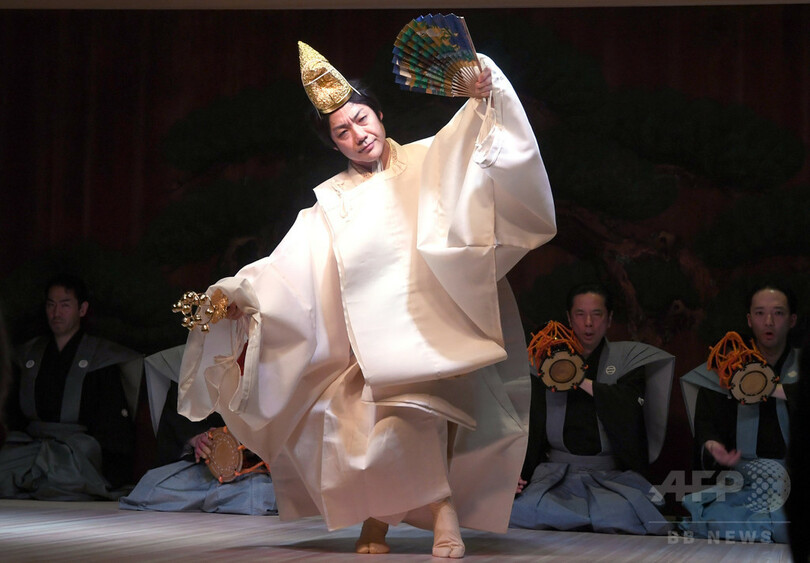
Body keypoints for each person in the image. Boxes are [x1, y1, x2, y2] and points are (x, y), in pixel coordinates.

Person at [176, 41, 556, 558]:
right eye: (342, 132)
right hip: (365, 340)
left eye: (361, 119)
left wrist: (485, 92)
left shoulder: (428, 158)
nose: (358, 135)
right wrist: (241, 297)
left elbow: (476, 140)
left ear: (379, 114)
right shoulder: (331, 201)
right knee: (352, 430)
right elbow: (289, 266)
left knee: (414, 418)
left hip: (432, 329)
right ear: (334, 144)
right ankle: (380, 515)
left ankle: (439, 513)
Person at [510, 283, 674, 535]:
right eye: (580, 314)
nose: (588, 323)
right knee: (521, 511)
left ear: (609, 319)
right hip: (557, 475)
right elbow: (529, 423)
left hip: (609, 477)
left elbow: (630, 410)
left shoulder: (627, 360)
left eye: (597, 314)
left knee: (623, 515)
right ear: (569, 318)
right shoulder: (544, 361)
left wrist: (580, 380)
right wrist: (518, 472)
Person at [0, 274, 142, 500]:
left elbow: (112, 428)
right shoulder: (29, 354)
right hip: (33, 444)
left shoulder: (100, 357)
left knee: (68, 469)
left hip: (78, 448)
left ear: (82, 309)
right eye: (51, 305)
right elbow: (14, 415)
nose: (56, 313)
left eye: (65, 305)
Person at [680, 281, 800, 543]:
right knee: (719, 522)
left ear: (792, 320)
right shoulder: (726, 370)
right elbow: (706, 425)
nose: (768, 321)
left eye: (778, 313)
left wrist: (768, 387)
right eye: (760, 313)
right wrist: (712, 446)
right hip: (743, 483)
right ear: (749, 319)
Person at [119, 346, 276, 515]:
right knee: (149, 490)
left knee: (259, 494)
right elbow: (178, 419)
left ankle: (220, 499)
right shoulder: (193, 358)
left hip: (251, 472)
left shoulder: (267, 359)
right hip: (201, 470)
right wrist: (196, 438)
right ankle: (225, 500)